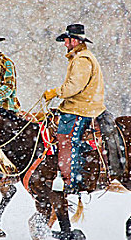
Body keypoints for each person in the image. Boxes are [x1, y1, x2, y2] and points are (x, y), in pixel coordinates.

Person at [42, 24, 106, 193]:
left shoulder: (82, 60)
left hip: (81, 109)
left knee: (66, 139)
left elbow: (74, 86)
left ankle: (70, 181)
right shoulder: (80, 57)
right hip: (81, 106)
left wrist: (56, 92)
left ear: (75, 41)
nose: (64, 44)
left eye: (66, 40)